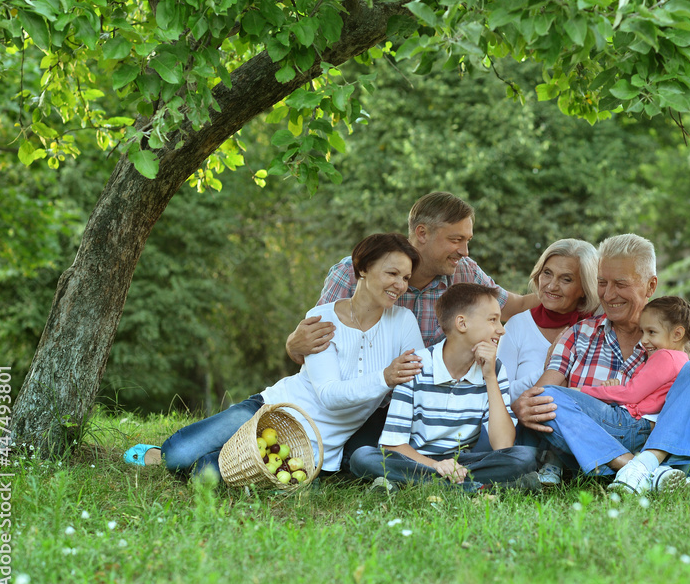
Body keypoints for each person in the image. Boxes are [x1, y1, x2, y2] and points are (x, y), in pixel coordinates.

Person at [126, 233, 426, 478]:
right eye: (392, 273)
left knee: (205, 473)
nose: (400, 285)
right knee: (175, 456)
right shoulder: (322, 319)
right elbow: (329, 395)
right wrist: (385, 376)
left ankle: (224, 454)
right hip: (272, 407)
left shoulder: (402, 322)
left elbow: (421, 377)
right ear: (363, 268)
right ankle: (172, 454)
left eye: (405, 278)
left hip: (312, 444)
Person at [511, 233, 690, 493]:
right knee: (549, 397)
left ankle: (652, 466)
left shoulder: (687, 341)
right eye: (602, 282)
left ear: (650, 286)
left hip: (664, 449)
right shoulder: (578, 335)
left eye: (620, 284)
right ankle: (637, 470)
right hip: (594, 448)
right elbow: (539, 398)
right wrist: (525, 405)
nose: (608, 294)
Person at [284, 192, 537, 362]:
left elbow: (516, 307)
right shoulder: (354, 271)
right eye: (455, 239)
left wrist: (572, 295)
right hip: (360, 402)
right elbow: (310, 345)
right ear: (422, 233)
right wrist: (294, 346)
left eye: (467, 240)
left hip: (423, 404)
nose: (464, 251)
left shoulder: (464, 271)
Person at [349, 284, 539, 491]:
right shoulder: (415, 365)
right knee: (363, 457)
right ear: (462, 323)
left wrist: (490, 377)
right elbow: (392, 444)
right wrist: (436, 465)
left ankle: (416, 483)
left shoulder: (494, 369)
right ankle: (473, 487)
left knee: (524, 457)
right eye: (493, 320)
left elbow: (503, 445)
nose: (501, 329)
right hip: (415, 460)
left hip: (463, 462)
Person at [539, 296, 690, 493]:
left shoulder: (665, 356)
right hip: (640, 428)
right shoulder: (681, 360)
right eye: (643, 332)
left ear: (677, 334)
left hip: (631, 424)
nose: (644, 340)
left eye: (651, 332)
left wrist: (584, 391)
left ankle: (632, 467)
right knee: (554, 409)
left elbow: (631, 394)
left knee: (548, 397)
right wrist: (614, 388)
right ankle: (645, 471)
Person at [499, 238, 600, 402]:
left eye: (566, 279)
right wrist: (547, 370)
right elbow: (499, 395)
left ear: (585, 288)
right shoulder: (518, 325)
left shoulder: (598, 330)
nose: (552, 286)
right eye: (547, 273)